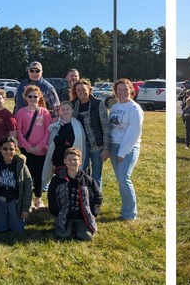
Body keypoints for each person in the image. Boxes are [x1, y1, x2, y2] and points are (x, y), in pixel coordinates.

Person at [108, 78, 144, 220]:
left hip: (128, 148)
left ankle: (130, 214)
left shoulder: (134, 108)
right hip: (114, 147)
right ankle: (125, 209)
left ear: (131, 90)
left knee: (124, 178)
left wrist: (122, 152)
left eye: (125, 89)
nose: (122, 92)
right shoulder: (115, 107)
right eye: (119, 89)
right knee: (120, 179)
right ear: (116, 91)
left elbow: (134, 132)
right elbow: (111, 129)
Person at [48, 148, 101, 241]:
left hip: (82, 216)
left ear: (80, 161)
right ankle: (68, 227)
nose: (72, 162)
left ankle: (79, 227)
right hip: (64, 215)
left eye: (75, 159)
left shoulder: (88, 180)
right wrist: (56, 212)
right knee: (62, 236)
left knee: (87, 237)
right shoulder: (57, 179)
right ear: (64, 161)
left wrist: (94, 212)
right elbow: (51, 196)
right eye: (69, 159)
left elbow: (98, 196)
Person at [16, 83, 53, 210]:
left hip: (41, 150)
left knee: (39, 175)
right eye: (30, 96)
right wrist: (27, 146)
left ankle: (38, 198)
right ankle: (28, 199)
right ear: (25, 98)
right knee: (27, 176)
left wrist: (41, 145)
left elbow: (48, 130)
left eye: (35, 96)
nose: (33, 99)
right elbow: (18, 131)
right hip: (26, 150)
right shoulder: (21, 112)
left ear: (39, 97)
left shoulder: (44, 112)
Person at [41, 101, 87, 195]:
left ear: (72, 110)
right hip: (58, 158)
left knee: (71, 180)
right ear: (59, 111)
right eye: (63, 109)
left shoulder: (77, 125)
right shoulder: (55, 126)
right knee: (59, 181)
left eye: (68, 109)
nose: (65, 111)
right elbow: (53, 143)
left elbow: (79, 142)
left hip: (72, 159)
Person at [0, 139, 33, 234]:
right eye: (5, 149)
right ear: (0, 149)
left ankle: (18, 219)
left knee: (18, 230)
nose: (8, 152)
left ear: (15, 150)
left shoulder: (21, 165)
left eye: (11, 149)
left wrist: (25, 208)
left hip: (15, 202)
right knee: (0, 229)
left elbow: (28, 187)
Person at [72, 80, 110, 186]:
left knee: (96, 176)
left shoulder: (98, 104)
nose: (81, 92)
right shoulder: (73, 105)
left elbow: (106, 128)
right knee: (81, 173)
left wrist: (106, 149)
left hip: (97, 145)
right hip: (81, 146)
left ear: (89, 89)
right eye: (78, 90)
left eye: (83, 89)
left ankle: (95, 200)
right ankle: (82, 197)